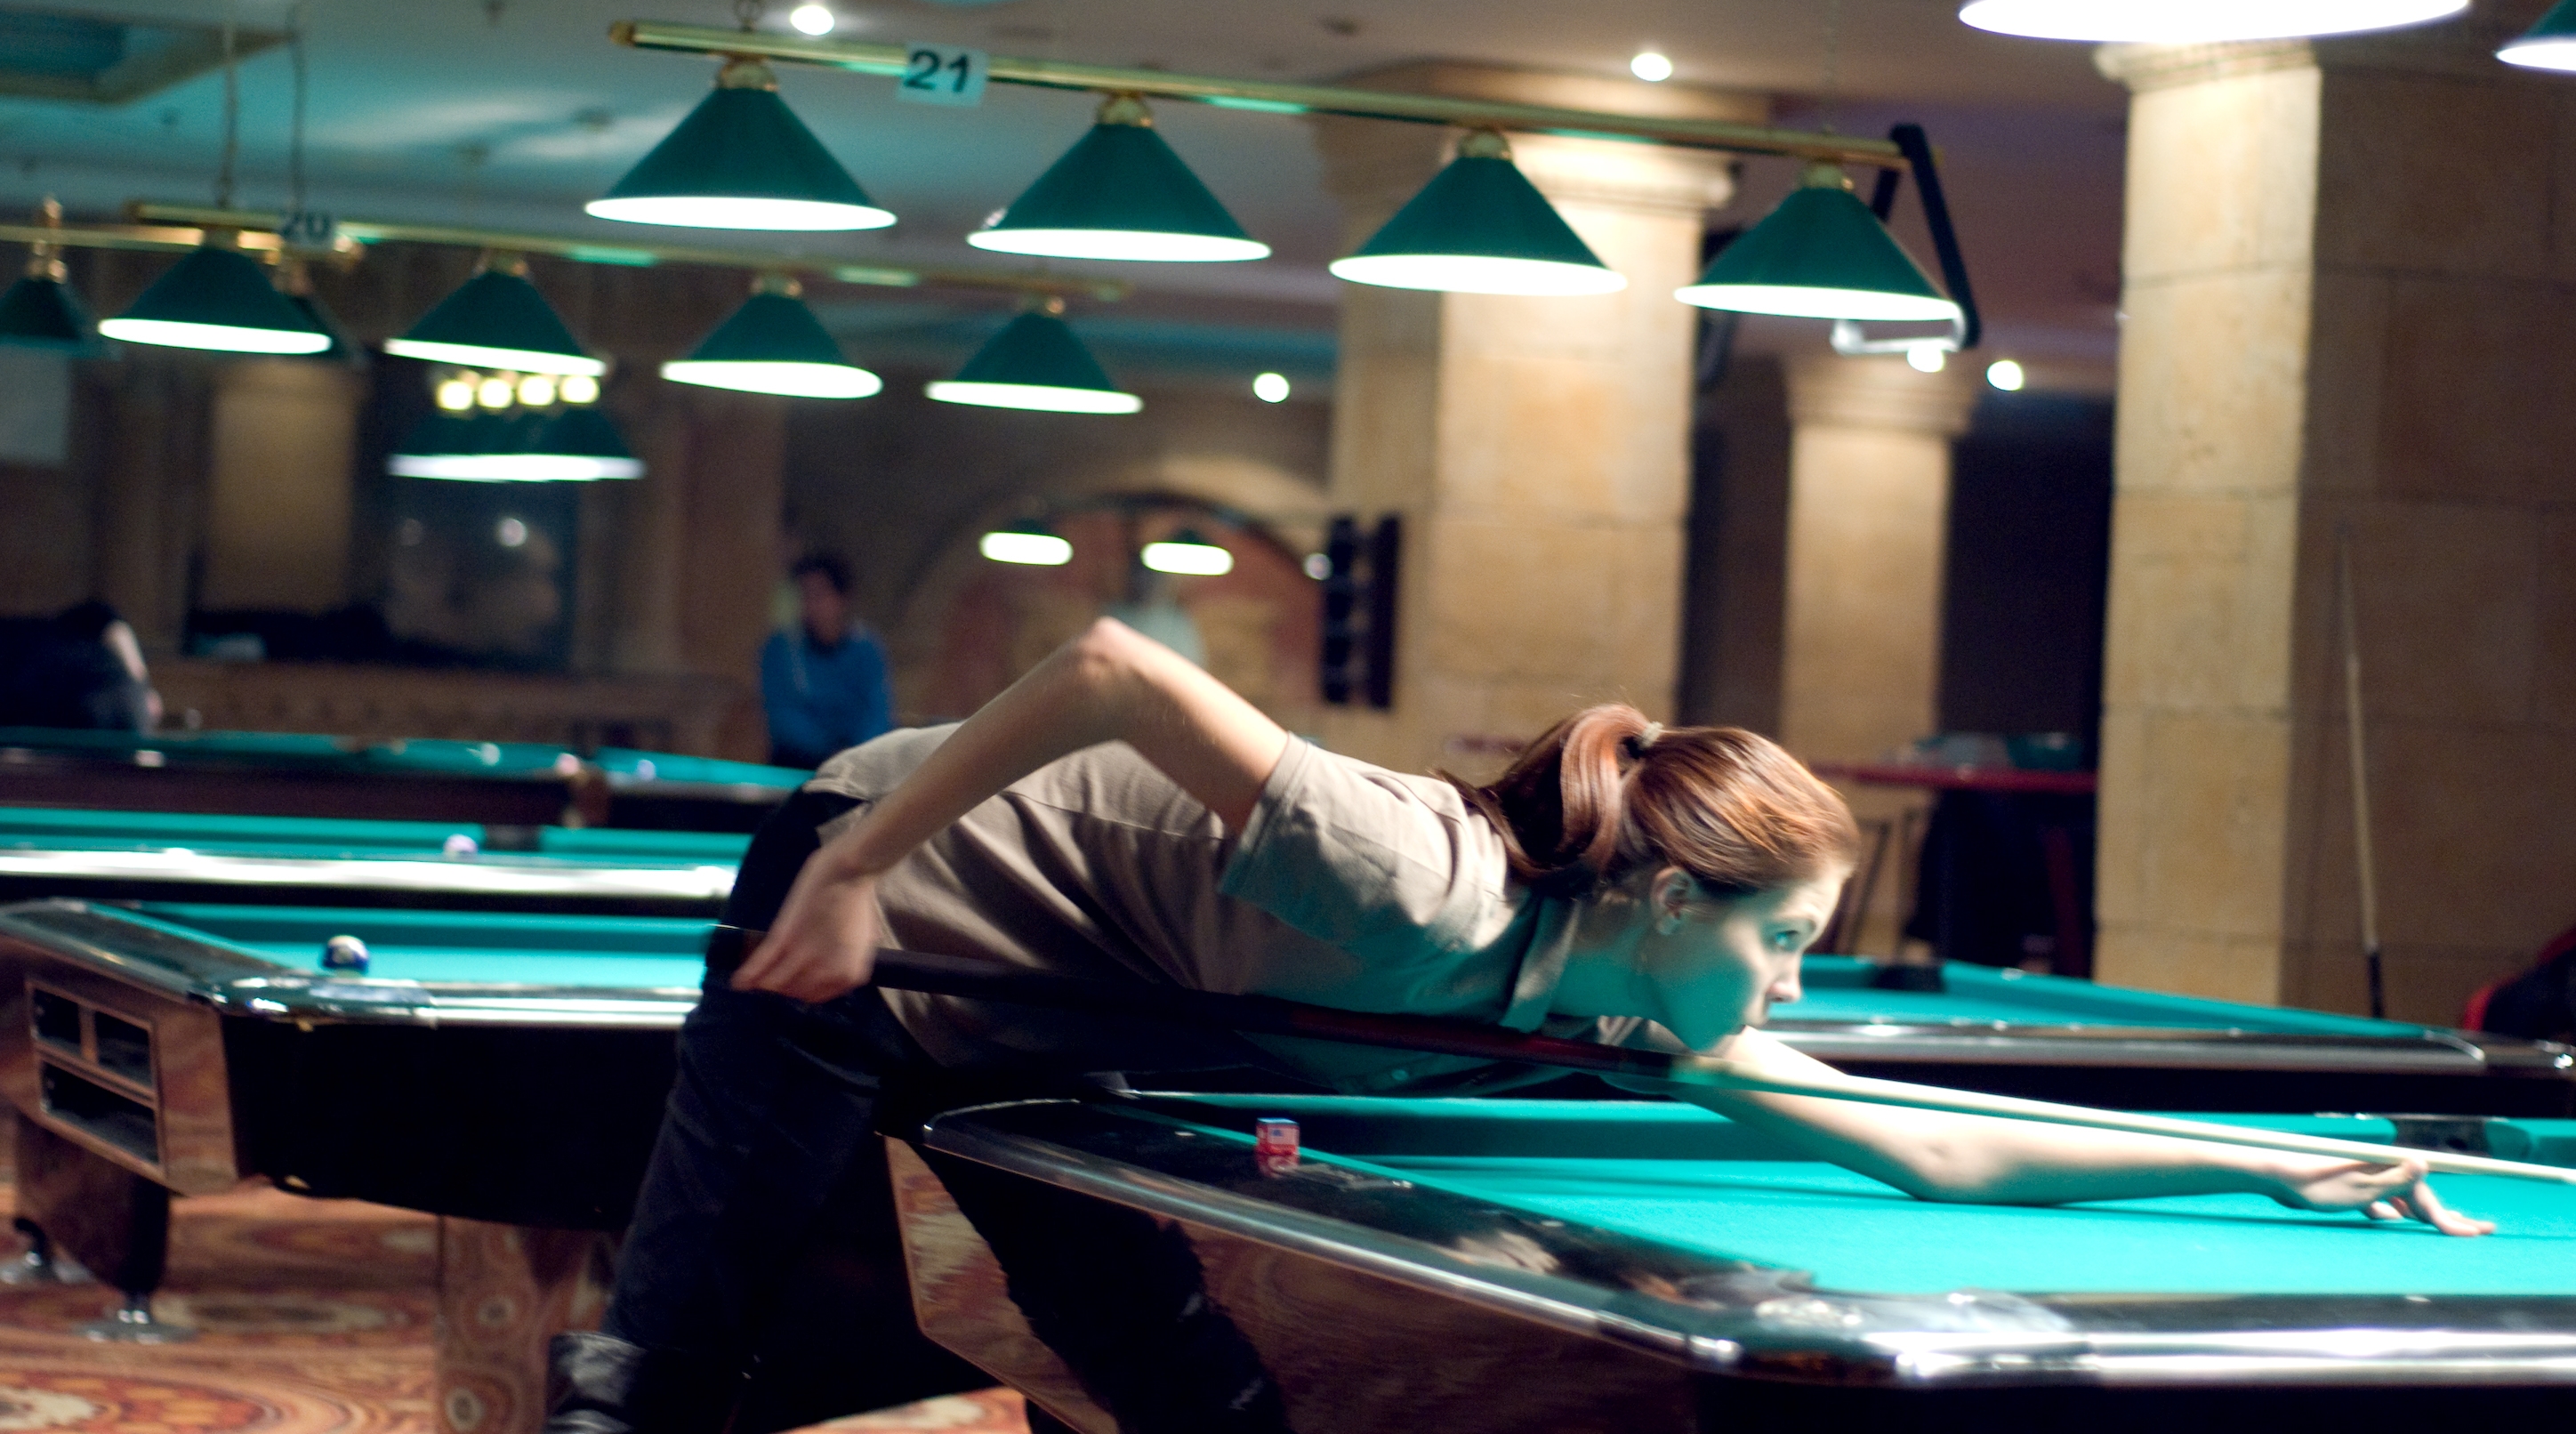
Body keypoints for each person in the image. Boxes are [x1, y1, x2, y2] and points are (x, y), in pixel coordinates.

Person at [548, 618, 2486, 1434]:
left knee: (1195, 1386)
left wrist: (2274, 1161)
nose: (1796, 987)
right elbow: (1113, 664)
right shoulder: (1414, 879)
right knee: (665, 1367)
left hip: (1065, 1006)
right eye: (1786, 941)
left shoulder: (1633, 1012)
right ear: (1665, 902)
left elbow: (1931, 1139)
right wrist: (855, 864)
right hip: (866, 901)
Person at [757, 552, 893, 770]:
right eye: (805, 595)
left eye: (819, 595)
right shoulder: (782, 648)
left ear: (842, 598)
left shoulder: (866, 648)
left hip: (858, 764)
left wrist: (856, 752)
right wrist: (827, 750)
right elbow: (781, 715)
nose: (811, 604)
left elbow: (877, 711)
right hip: (799, 763)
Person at [0, 600, 159, 733]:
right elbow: (111, 624)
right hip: (90, 707)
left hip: (104, 693)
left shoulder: (22, 634)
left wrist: (142, 682)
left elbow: (108, 621)